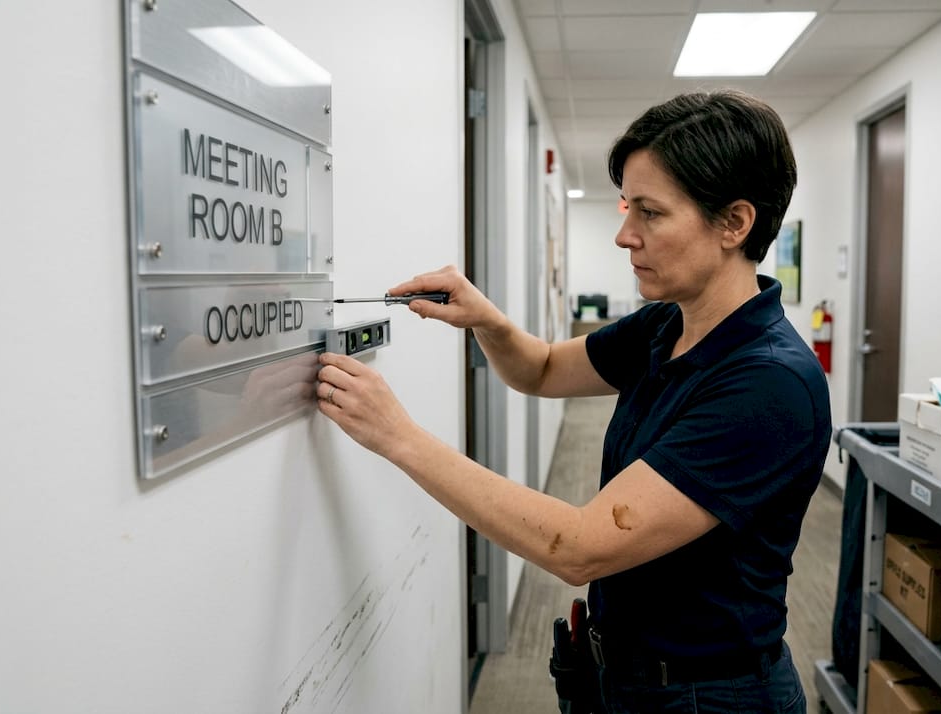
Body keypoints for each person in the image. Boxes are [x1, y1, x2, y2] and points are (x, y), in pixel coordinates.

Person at [314, 90, 831, 713]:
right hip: (626, 674)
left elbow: (581, 545)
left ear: (734, 223)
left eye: (650, 213)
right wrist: (488, 321)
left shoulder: (768, 384)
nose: (624, 236)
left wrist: (398, 435)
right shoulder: (668, 324)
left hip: (708, 696)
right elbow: (543, 368)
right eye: (625, 207)